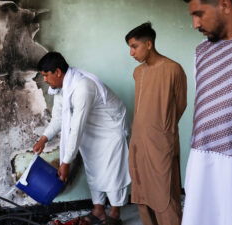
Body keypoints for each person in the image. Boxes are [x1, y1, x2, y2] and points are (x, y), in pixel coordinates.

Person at [33, 52, 130, 225]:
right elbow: (58, 118)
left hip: (110, 131)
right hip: (91, 132)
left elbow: (76, 127)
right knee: (94, 171)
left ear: (57, 72)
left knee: (113, 173)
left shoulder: (83, 86)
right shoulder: (62, 88)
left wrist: (66, 162)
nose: (45, 80)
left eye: (46, 75)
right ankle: (99, 211)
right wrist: (44, 138)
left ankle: (115, 215)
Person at [182, 0, 232, 224]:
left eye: (199, 14)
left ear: (224, 4)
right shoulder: (201, 52)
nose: (195, 24)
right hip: (202, 167)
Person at [125, 22, 187, 225]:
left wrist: (162, 130)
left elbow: (180, 105)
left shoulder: (173, 69)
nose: (131, 53)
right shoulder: (138, 73)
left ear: (149, 44)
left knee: (164, 196)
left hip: (161, 143)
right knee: (142, 194)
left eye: (134, 46)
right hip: (138, 143)